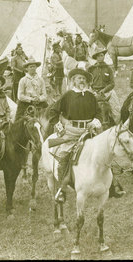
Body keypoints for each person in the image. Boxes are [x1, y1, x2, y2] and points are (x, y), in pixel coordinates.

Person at [47, 68, 107, 203]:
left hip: (90, 131)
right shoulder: (68, 95)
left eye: (84, 79)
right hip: (72, 132)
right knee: (65, 157)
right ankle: (62, 189)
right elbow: (53, 112)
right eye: (79, 78)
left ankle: (111, 183)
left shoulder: (91, 96)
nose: (82, 80)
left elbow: (98, 113)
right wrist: (59, 126)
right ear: (73, 80)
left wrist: (96, 121)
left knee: (104, 152)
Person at [88, 46, 120, 124]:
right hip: (94, 91)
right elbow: (88, 82)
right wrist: (93, 91)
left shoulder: (108, 68)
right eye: (98, 56)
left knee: (116, 109)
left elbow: (112, 83)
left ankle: (117, 126)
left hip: (107, 91)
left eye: (102, 55)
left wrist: (104, 90)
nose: (100, 57)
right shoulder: (91, 69)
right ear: (96, 57)